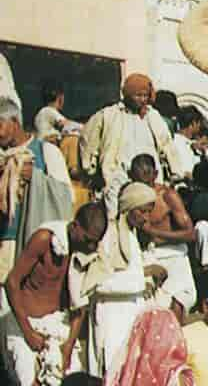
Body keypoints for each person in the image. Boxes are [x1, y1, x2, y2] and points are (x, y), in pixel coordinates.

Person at [2, 203, 105, 386]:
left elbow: (79, 307)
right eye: (88, 239)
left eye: (95, 242)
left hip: (59, 326)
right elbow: (11, 283)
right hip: (25, 325)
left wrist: (68, 347)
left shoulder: (85, 256)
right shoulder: (44, 240)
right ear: (76, 227)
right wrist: (28, 333)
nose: (91, 246)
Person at [83, 182, 158, 376]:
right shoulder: (108, 235)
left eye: (149, 212)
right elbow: (97, 284)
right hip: (111, 316)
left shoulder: (132, 236)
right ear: (129, 208)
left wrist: (146, 281)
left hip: (131, 315)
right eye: (142, 212)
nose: (146, 218)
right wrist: (141, 281)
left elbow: (134, 271)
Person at [0, 93, 73, 282]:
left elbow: (66, 197)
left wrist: (36, 178)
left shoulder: (46, 152)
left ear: (15, 122)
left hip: (31, 247)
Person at [78, 73, 176, 206]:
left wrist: (174, 170)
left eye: (145, 95)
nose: (142, 99)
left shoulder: (153, 117)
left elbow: (167, 144)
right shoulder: (109, 115)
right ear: (128, 95)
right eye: (138, 95)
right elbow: (89, 140)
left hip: (148, 177)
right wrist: (91, 169)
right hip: (118, 177)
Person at [127, 154, 196, 320]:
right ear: (131, 176)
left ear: (155, 175)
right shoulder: (128, 197)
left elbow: (190, 234)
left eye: (147, 182)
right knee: (147, 309)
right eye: (138, 182)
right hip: (146, 256)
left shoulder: (167, 196)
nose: (143, 188)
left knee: (178, 302)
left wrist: (153, 232)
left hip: (173, 255)